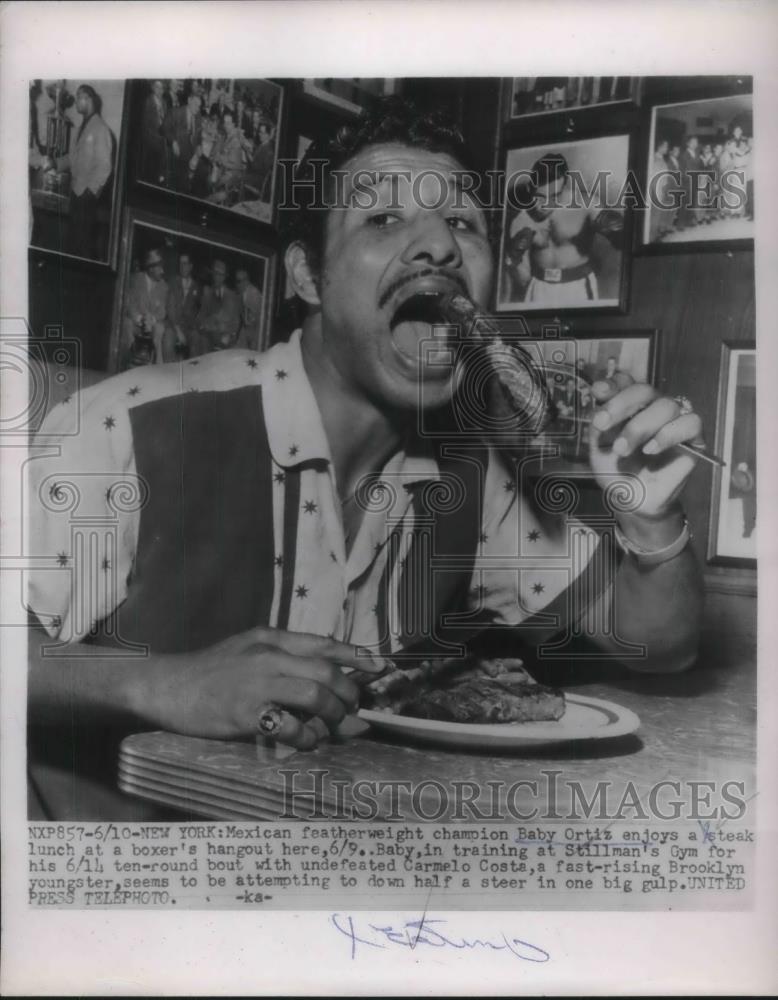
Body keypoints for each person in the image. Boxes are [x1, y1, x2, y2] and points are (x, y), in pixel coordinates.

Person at [28, 98, 705, 819]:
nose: (439, 247)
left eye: (464, 225)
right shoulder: (129, 423)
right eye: (382, 220)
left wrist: (652, 522)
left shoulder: (474, 472)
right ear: (308, 277)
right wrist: (162, 684)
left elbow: (655, 645)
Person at [503, 152, 623, 306]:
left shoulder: (584, 204)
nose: (546, 204)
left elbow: (623, 241)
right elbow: (523, 278)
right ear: (529, 188)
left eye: (555, 196)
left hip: (578, 287)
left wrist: (618, 233)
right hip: (538, 287)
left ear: (564, 185)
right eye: (540, 196)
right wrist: (514, 257)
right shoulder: (521, 219)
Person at [42, 84, 113, 259]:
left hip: (86, 198)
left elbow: (105, 167)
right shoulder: (81, 128)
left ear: (88, 99)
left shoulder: (101, 129)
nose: (75, 103)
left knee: (83, 247)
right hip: (76, 195)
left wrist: (89, 193)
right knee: (73, 245)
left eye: (79, 97)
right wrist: (53, 163)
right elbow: (72, 158)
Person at [121, 247, 169, 366]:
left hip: (152, 325)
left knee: (160, 328)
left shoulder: (164, 286)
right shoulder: (136, 279)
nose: (162, 271)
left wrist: (151, 319)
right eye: (159, 267)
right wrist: (140, 319)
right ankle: (132, 359)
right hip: (137, 323)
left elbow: (162, 311)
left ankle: (158, 366)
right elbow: (129, 304)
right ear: (151, 268)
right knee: (126, 323)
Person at [195, 258, 242, 350]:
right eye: (216, 273)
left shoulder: (232, 296)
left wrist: (227, 332)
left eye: (221, 274)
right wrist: (205, 325)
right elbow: (200, 318)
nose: (217, 277)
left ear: (225, 276)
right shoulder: (207, 293)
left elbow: (236, 324)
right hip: (210, 336)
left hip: (227, 338)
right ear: (212, 274)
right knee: (200, 340)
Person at [162, 90, 202, 192]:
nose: (197, 108)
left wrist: (199, 147)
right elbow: (164, 128)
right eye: (195, 105)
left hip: (191, 153)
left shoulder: (198, 117)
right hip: (177, 154)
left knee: (205, 171)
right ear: (189, 100)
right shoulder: (175, 112)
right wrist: (174, 142)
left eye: (199, 106)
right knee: (182, 183)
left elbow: (199, 136)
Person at [165, 252, 202, 358]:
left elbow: (198, 310)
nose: (182, 266)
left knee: (196, 338)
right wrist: (178, 330)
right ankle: (169, 373)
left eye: (185, 263)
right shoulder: (172, 281)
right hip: (173, 325)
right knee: (168, 340)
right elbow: (170, 307)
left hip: (188, 327)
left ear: (191, 266)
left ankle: (192, 373)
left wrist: (195, 326)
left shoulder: (197, 286)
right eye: (180, 263)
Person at [139, 79, 168, 185]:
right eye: (157, 87)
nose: (160, 90)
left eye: (162, 88)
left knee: (159, 166)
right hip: (151, 140)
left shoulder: (164, 102)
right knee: (150, 168)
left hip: (161, 139)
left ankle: (158, 181)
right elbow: (145, 125)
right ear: (153, 88)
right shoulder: (148, 102)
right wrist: (154, 137)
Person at [235, 267, 264, 349]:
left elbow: (252, 323)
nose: (236, 284)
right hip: (247, 330)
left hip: (256, 334)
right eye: (236, 281)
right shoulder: (242, 293)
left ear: (246, 281)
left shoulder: (253, 294)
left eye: (238, 281)